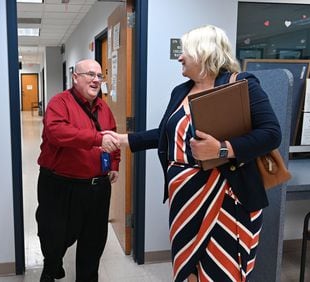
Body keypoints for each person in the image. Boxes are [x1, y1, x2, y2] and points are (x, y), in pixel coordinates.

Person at [105, 25, 281, 282]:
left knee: (221, 271)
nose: (179, 57)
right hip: (184, 200)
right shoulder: (181, 91)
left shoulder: (242, 84)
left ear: (204, 52)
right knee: (189, 270)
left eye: (184, 51)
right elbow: (166, 133)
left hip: (227, 199)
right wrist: (125, 139)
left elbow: (271, 133)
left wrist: (223, 149)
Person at [36, 59, 121, 282]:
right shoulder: (59, 103)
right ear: (75, 77)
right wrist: (96, 139)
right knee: (53, 235)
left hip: (97, 187)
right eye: (89, 75)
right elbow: (57, 133)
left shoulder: (104, 108)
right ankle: (51, 266)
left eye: (99, 76)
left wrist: (114, 164)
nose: (95, 80)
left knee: (93, 242)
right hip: (60, 185)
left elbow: (112, 136)